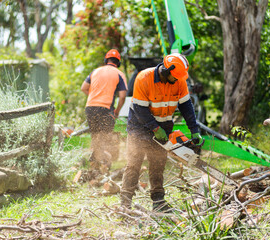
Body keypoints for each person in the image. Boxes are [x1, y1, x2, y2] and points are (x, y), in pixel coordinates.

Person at [120, 53, 203, 212]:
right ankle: (125, 203)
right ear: (166, 71)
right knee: (134, 163)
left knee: (158, 164)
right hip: (139, 126)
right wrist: (154, 128)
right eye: (176, 76)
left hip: (164, 125)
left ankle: (158, 202)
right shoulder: (144, 78)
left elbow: (187, 107)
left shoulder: (179, 81)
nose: (178, 80)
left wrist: (194, 130)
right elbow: (140, 109)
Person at [81, 49, 127, 174]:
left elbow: (83, 88)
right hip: (106, 110)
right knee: (105, 139)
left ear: (106, 60)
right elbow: (122, 96)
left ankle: (94, 166)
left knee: (96, 137)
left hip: (90, 107)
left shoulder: (95, 71)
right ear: (118, 62)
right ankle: (103, 167)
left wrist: (94, 97)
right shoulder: (119, 74)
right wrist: (117, 111)